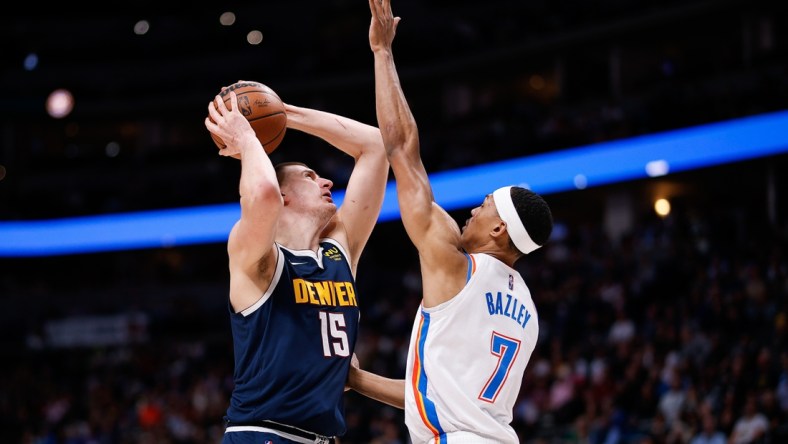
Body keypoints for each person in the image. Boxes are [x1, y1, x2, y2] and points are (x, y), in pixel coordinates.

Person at [346, 1, 554, 443]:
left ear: (499, 230)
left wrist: (382, 53)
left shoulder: (457, 265)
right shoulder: (529, 313)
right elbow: (442, 398)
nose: (472, 212)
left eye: (484, 207)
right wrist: (358, 381)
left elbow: (402, 148)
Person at [205, 86, 388, 444]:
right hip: (264, 433)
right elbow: (263, 196)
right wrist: (246, 138)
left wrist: (283, 112)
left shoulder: (340, 251)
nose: (327, 181)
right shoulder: (257, 256)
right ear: (285, 194)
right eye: (310, 176)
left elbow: (376, 146)